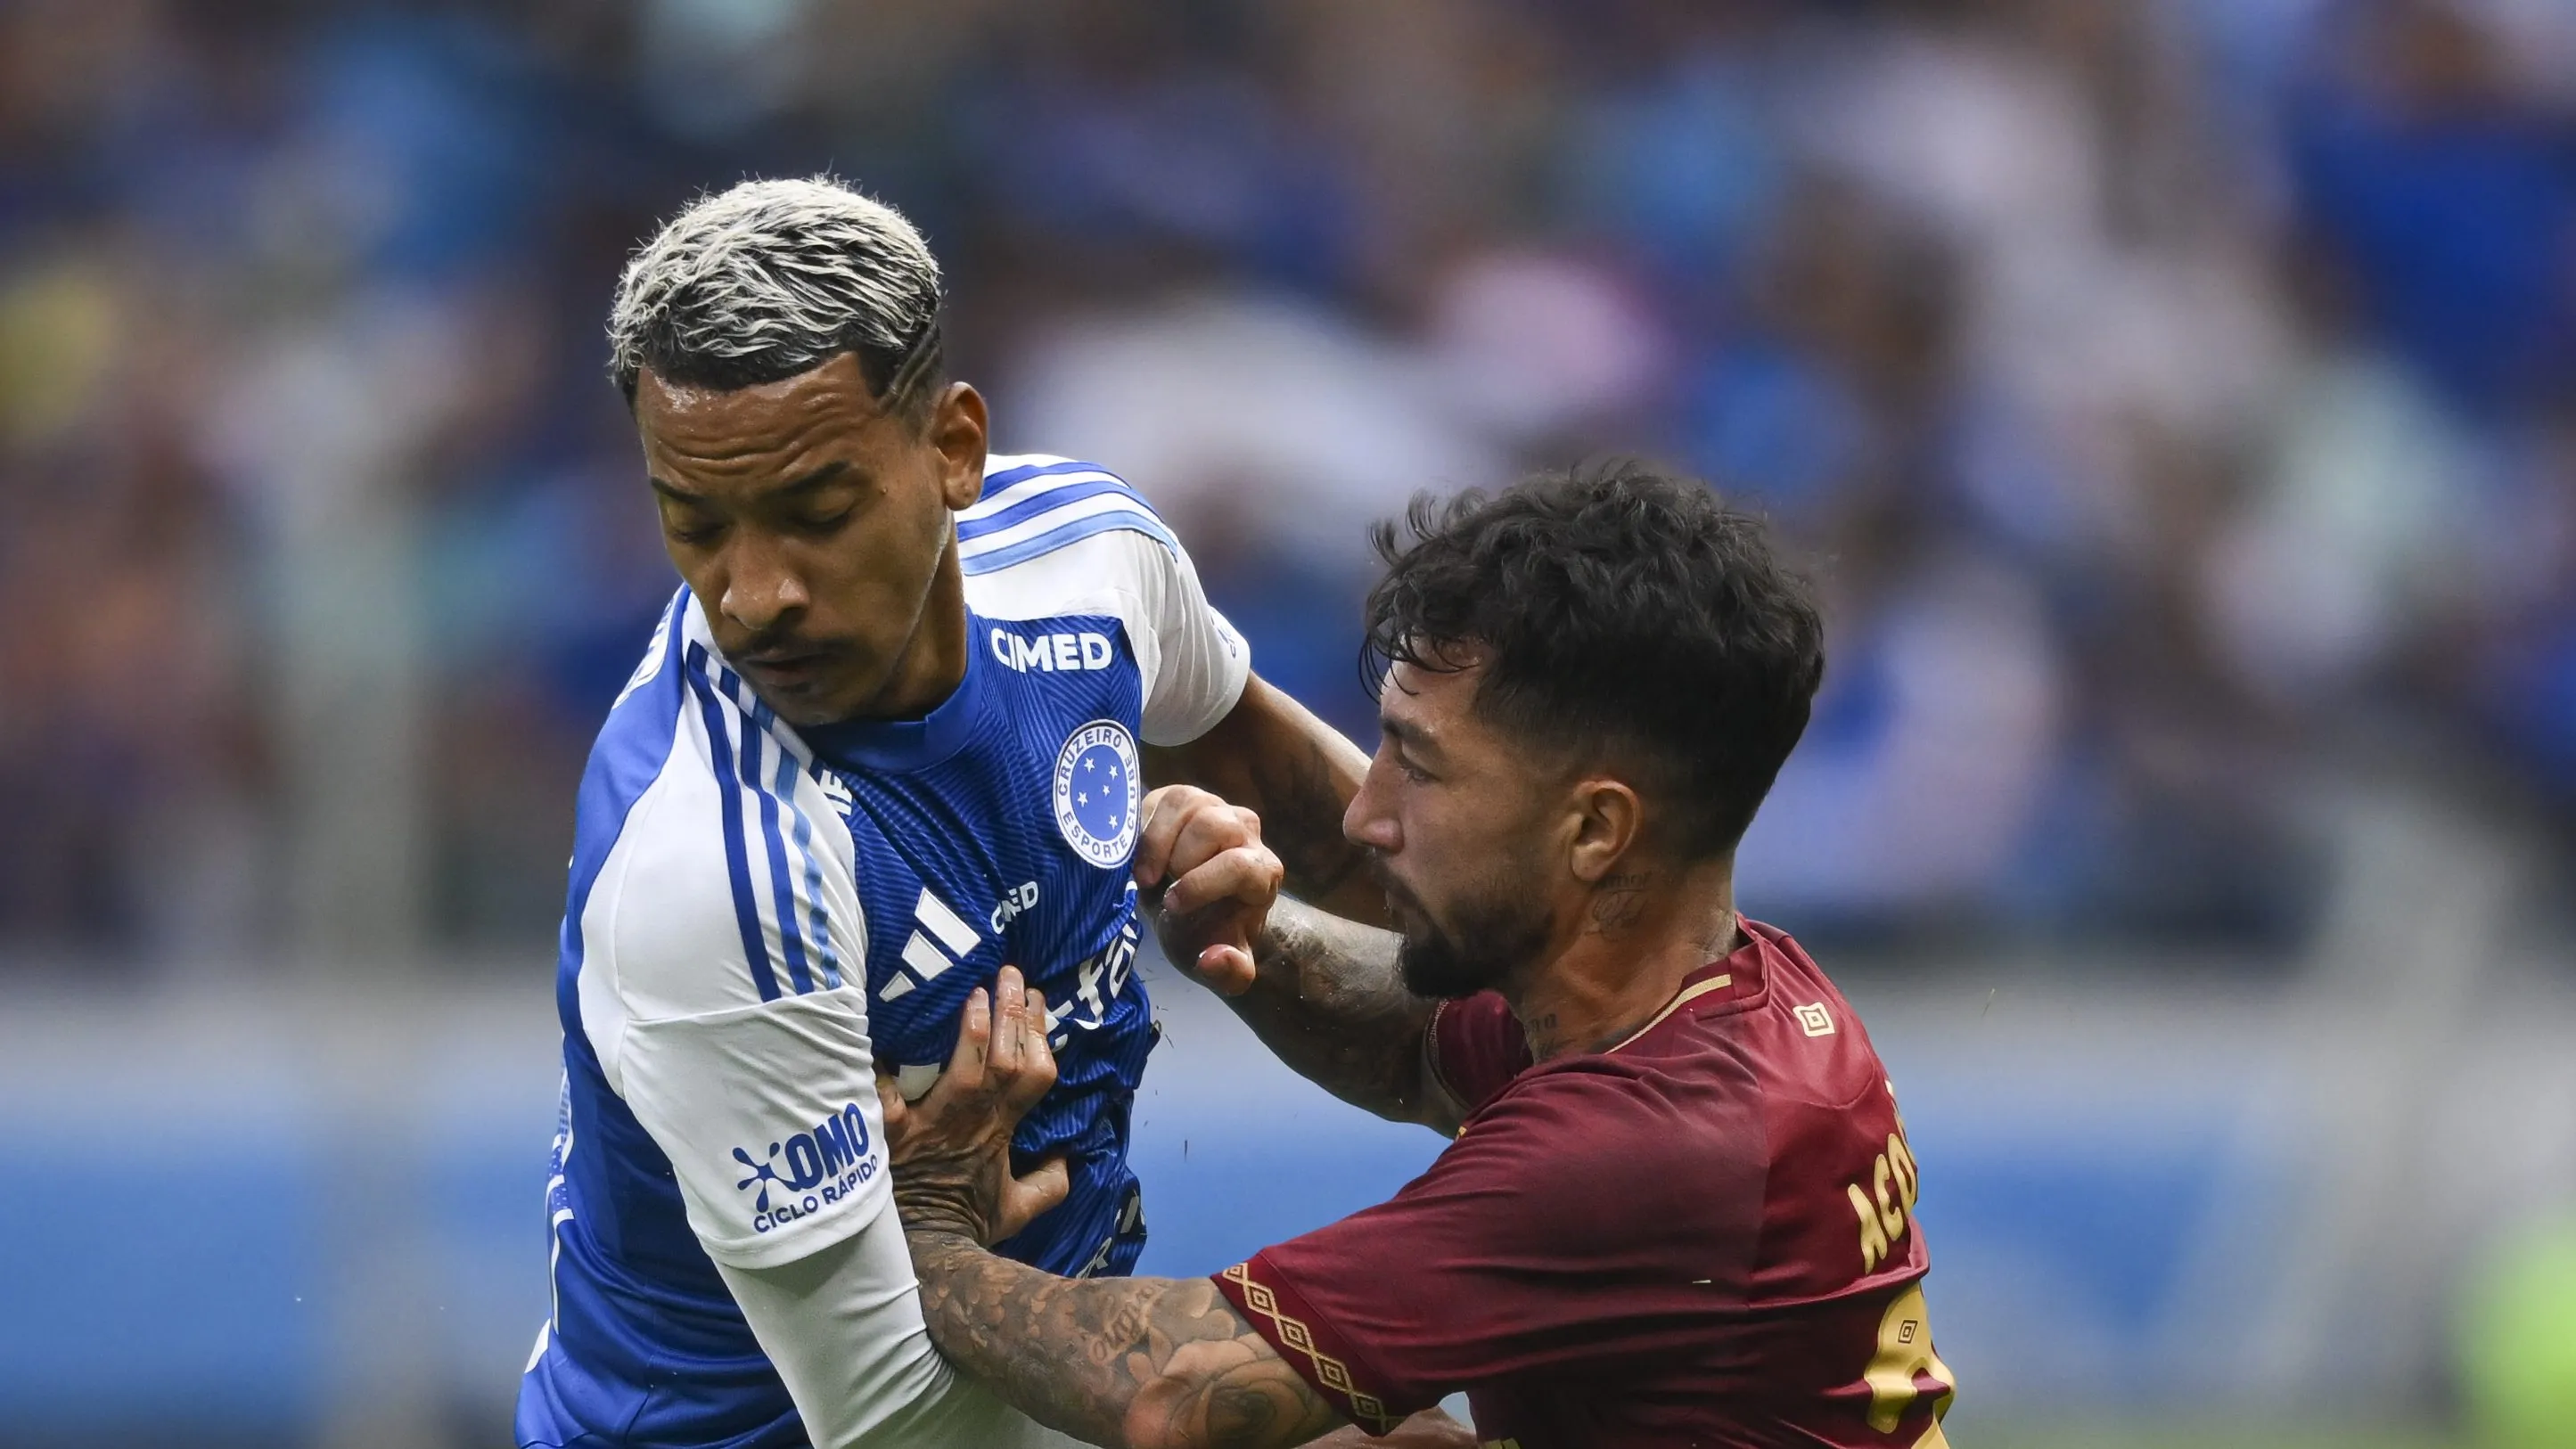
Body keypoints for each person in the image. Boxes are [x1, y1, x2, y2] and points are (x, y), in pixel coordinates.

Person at [513, 176, 1391, 1449]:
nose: (754, 595)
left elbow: (1338, 824)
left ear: (954, 448)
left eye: (817, 514)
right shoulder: (714, 868)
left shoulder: (1090, 560)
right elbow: (898, 1432)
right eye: (692, 524)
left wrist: (1563, 1021)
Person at [884, 461, 1958, 1448]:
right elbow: (1413, 1048)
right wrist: (1243, 927)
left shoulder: (1641, 1152)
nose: (1364, 816)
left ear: (1595, 831)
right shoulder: (1728, 1001)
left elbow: (1172, 1392)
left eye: (1421, 767)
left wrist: (921, 1228)